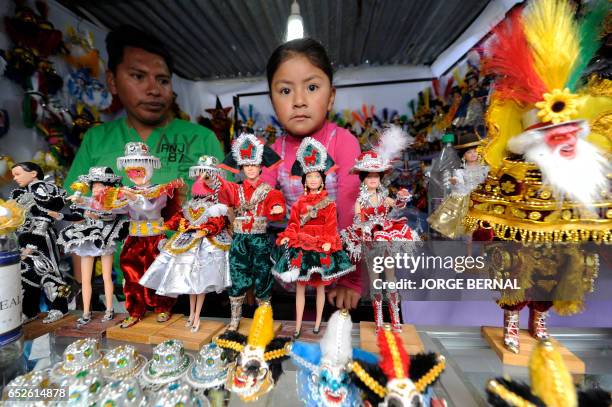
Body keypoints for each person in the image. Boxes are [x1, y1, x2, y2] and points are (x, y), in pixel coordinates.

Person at [261, 38, 362, 309]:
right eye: (285, 91)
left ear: (330, 98)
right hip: (292, 272)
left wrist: (350, 279)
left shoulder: (343, 142)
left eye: (312, 87)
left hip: (338, 267)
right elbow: (257, 199)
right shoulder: (272, 151)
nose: (299, 101)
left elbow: (351, 210)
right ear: (272, 101)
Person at [272, 137, 355, 338]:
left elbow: (331, 227)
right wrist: (287, 237)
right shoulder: (300, 204)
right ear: (305, 180)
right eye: (309, 176)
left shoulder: (329, 203)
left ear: (322, 179)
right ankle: (299, 324)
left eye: (316, 176)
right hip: (301, 246)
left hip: (319, 248)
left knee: (320, 288)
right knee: (300, 287)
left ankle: (318, 323)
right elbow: (293, 224)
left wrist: (328, 242)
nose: (313, 179)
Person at [139, 156, 231, 333]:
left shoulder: (215, 205)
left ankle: (197, 316)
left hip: (206, 246)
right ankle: (191, 315)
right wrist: (166, 225)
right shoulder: (190, 203)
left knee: (201, 282)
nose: (202, 180)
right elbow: (178, 218)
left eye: (207, 177)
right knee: (190, 282)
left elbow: (218, 222)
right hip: (188, 243)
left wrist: (205, 230)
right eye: (200, 176)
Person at [215, 132, 286, 331]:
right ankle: (235, 319)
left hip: (260, 240)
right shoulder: (234, 189)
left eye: (254, 165)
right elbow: (221, 190)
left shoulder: (270, 191)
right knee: (237, 276)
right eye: (247, 165)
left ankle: (263, 320)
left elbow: (277, 204)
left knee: (263, 277)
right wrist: (211, 180)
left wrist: (277, 209)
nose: (251, 169)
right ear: (242, 168)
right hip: (239, 240)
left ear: (261, 167)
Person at [11, 162, 82, 323]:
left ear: (33, 173)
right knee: (26, 274)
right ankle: (30, 311)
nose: (15, 178)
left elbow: (44, 219)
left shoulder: (46, 190)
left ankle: (61, 307)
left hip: (42, 238)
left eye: (18, 174)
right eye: (14, 175)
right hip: (24, 237)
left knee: (51, 272)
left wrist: (31, 246)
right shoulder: (21, 193)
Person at [57, 167, 129, 326]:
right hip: (89, 239)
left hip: (106, 238)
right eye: (94, 186)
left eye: (100, 185)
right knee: (85, 279)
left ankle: (109, 309)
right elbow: (79, 213)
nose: (96, 188)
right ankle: (86, 311)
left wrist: (91, 208)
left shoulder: (114, 201)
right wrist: (69, 210)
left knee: (106, 277)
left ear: (108, 187)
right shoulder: (87, 200)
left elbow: (111, 212)